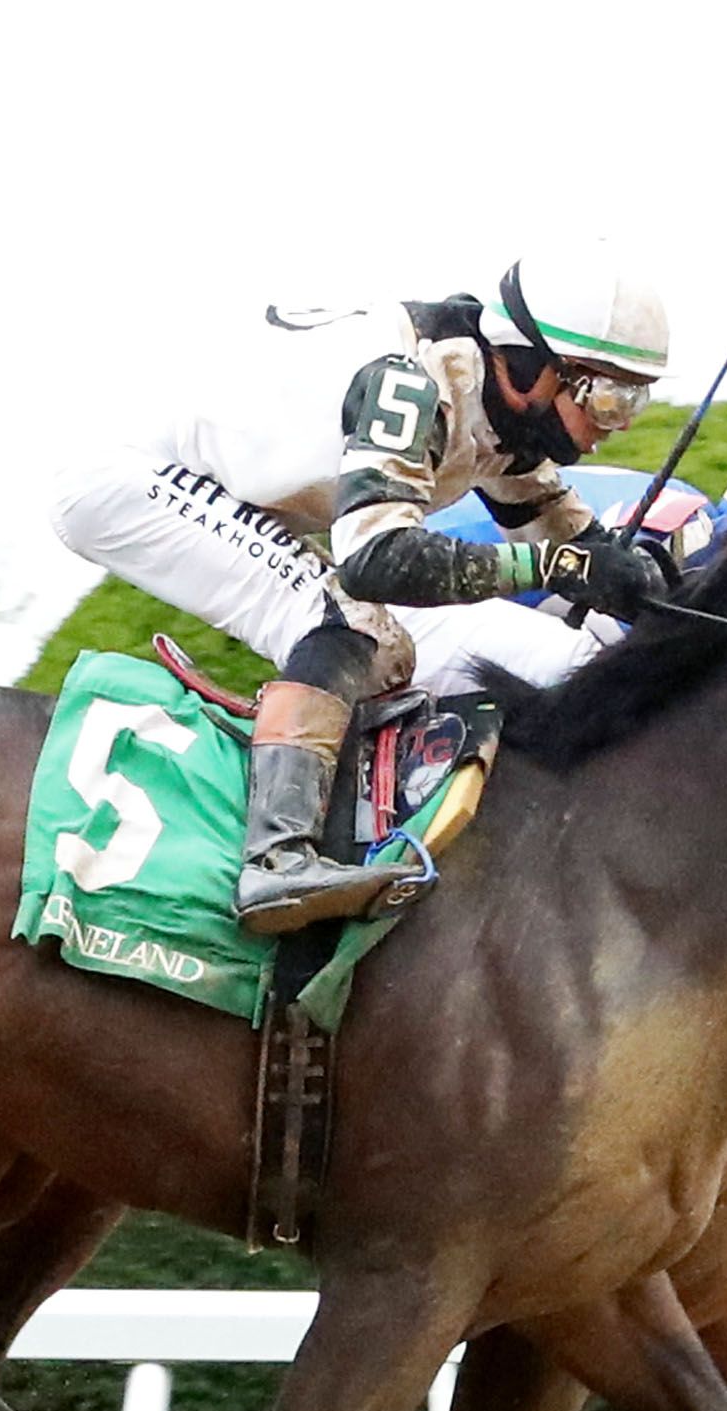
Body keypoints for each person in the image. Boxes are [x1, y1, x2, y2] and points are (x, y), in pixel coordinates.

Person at [52, 256, 670, 933]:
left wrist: (654, 587)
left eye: (636, 400)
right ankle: (276, 860)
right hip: (132, 478)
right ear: (535, 369)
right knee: (343, 618)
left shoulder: (498, 408)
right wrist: (554, 568)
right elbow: (376, 561)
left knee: (389, 647)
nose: (622, 423)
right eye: (611, 398)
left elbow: (577, 541)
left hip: (215, 484)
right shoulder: (407, 386)